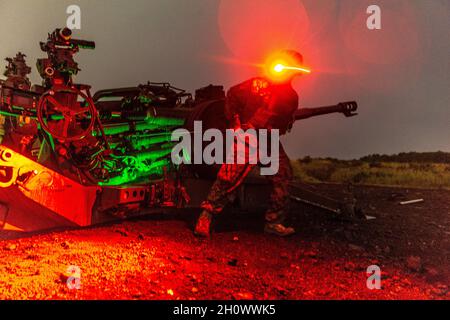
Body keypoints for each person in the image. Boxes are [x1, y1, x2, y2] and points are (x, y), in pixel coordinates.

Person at [194, 50, 310, 238]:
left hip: (269, 140)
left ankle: (273, 222)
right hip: (249, 138)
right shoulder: (258, 84)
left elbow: (284, 121)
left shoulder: (290, 96)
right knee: (228, 177)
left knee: (283, 174)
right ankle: (205, 217)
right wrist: (235, 123)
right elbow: (232, 95)